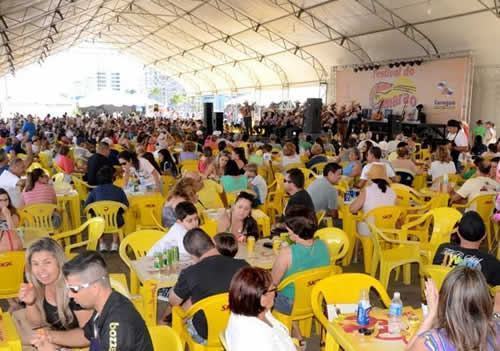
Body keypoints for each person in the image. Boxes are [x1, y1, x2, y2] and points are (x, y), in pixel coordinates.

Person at [31, 251, 153, 351]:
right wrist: (49, 336)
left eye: (74, 289)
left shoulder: (118, 324)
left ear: (95, 288)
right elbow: (86, 335)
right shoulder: (105, 305)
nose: (69, 295)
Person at [168, 228, 248, 344]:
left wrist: (173, 290)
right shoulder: (243, 265)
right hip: (241, 330)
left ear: (192, 255)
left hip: (206, 334)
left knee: (185, 308)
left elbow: (173, 301)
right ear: (212, 242)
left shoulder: (190, 273)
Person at [406, 266, 499, 351]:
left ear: (444, 300)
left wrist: (431, 315)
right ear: (486, 300)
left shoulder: (432, 343)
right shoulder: (496, 330)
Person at [271, 207, 329, 342]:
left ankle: (288, 333)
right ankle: (297, 331)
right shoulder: (323, 245)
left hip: (290, 303)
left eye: (289, 230)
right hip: (316, 297)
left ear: (296, 233)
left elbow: (273, 282)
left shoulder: (287, 253)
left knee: (263, 293)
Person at [19, 238, 93, 335]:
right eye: (35, 264)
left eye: (47, 262)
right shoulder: (37, 282)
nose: (41, 270)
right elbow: (37, 324)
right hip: (57, 336)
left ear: (59, 262)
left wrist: (53, 339)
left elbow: (88, 335)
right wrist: (30, 303)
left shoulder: (74, 287)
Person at [225, 267, 296, 351]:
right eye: (273, 289)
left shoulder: (247, 310)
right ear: (262, 298)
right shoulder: (259, 338)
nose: (275, 293)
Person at [433, 211, 500, 286]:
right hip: (473, 297)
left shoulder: (442, 248)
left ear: (457, 232)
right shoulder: (491, 263)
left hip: (444, 295)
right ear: (484, 235)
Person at [85, 166, 129, 252]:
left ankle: (102, 244)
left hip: (99, 222)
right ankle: (115, 243)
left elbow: (87, 205)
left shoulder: (95, 191)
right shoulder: (118, 190)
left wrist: (96, 212)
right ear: (112, 178)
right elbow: (126, 205)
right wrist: (117, 211)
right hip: (116, 221)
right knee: (116, 216)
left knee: (98, 217)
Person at [350, 163, 396, 236]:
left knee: (354, 222)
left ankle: (355, 245)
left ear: (371, 178)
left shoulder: (367, 191)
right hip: (388, 229)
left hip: (370, 230)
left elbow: (353, 209)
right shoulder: (392, 192)